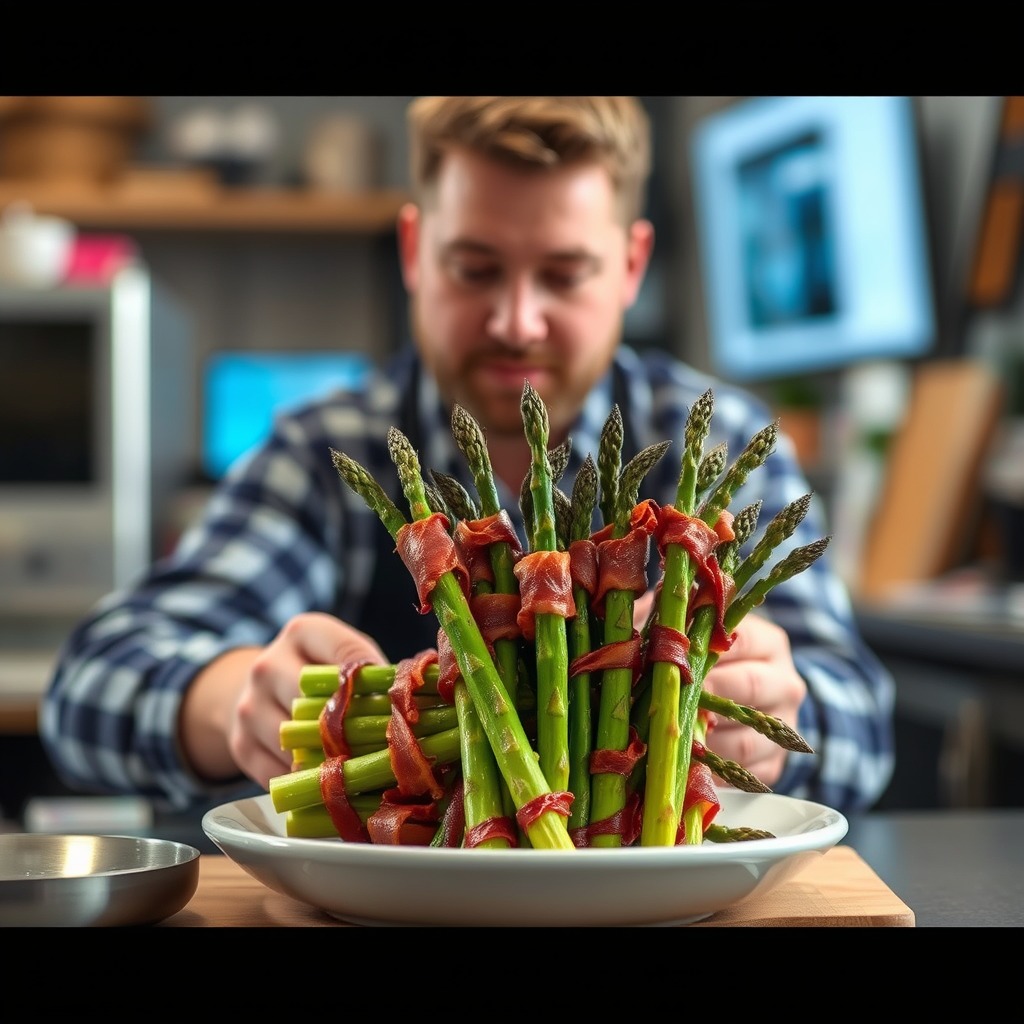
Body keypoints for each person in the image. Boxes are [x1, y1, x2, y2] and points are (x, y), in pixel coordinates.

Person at [39, 96, 894, 821]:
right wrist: (226, 702)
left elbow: (863, 726)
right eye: (476, 269)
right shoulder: (328, 448)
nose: (517, 321)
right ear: (415, 252)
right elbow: (88, 686)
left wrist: (779, 705)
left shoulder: (718, 446)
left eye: (564, 275)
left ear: (631, 266)